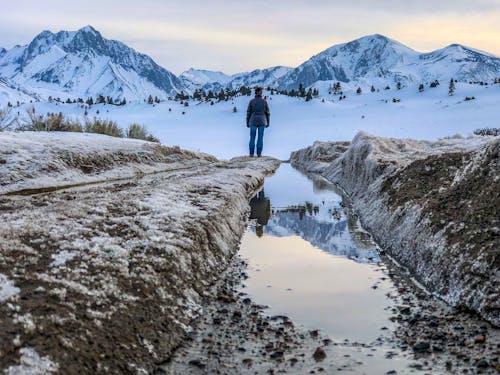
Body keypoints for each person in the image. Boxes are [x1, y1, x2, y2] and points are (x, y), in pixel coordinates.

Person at [246, 86, 270, 157]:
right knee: (260, 138)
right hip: (262, 121)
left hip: (253, 121)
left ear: (255, 93)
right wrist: (268, 122)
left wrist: (247, 122)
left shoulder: (251, 101)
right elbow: (267, 113)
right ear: (261, 93)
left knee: (252, 137)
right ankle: (259, 154)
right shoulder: (264, 102)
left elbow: (248, 113)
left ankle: (251, 154)